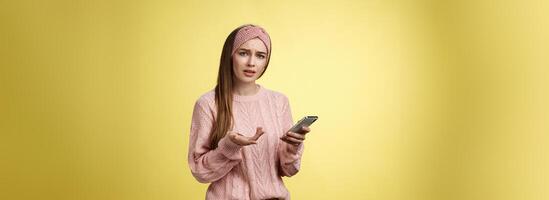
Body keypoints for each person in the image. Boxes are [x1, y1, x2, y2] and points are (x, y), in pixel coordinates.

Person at [187, 24, 311, 200]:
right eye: (243, 53)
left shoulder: (279, 102)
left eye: (260, 56)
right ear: (230, 55)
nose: (251, 63)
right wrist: (230, 146)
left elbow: (289, 170)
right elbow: (200, 172)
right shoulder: (207, 104)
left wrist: (292, 147)